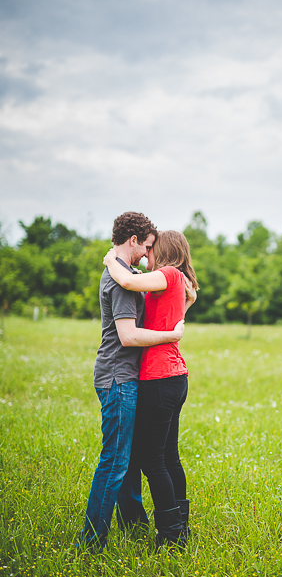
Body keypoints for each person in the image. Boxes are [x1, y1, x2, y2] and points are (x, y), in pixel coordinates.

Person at [78, 212, 185, 551]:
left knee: (135, 457)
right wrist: (171, 334)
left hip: (135, 377)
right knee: (117, 460)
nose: (148, 255)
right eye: (146, 247)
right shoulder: (118, 279)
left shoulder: (133, 274)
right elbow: (127, 336)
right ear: (133, 240)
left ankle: (134, 523)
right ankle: (91, 540)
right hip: (118, 377)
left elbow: (175, 289)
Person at [103, 230, 198, 547]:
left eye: (152, 249)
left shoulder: (169, 274)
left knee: (153, 460)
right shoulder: (179, 281)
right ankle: (180, 529)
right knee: (169, 457)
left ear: (165, 250)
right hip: (175, 377)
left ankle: (171, 537)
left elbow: (128, 282)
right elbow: (183, 310)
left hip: (158, 378)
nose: (147, 254)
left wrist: (111, 260)